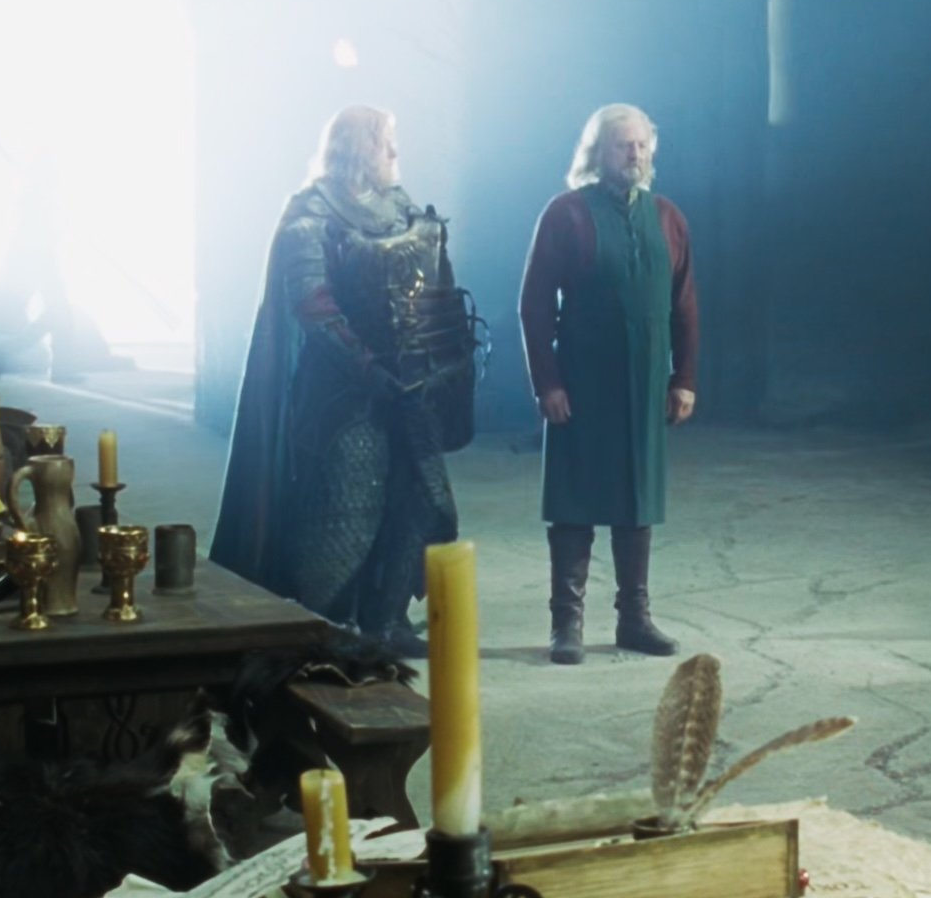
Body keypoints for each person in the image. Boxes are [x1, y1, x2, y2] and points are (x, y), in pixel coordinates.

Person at [210, 106, 477, 658]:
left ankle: (386, 619)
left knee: (420, 500)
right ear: (357, 149)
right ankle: (328, 624)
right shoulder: (311, 214)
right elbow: (314, 306)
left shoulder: (399, 206)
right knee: (348, 510)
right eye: (384, 143)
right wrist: (367, 368)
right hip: (343, 397)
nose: (394, 153)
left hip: (409, 389)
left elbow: (426, 283)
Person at [519, 104, 699, 665]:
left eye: (642, 145)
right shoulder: (566, 214)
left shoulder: (667, 218)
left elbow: (685, 305)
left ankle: (634, 619)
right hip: (581, 383)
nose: (635, 154)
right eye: (624, 145)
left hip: (644, 385)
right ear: (598, 152)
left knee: (636, 499)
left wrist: (684, 378)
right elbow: (534, 305)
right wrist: (547, 383)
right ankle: (566, 623)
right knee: (574, 500)